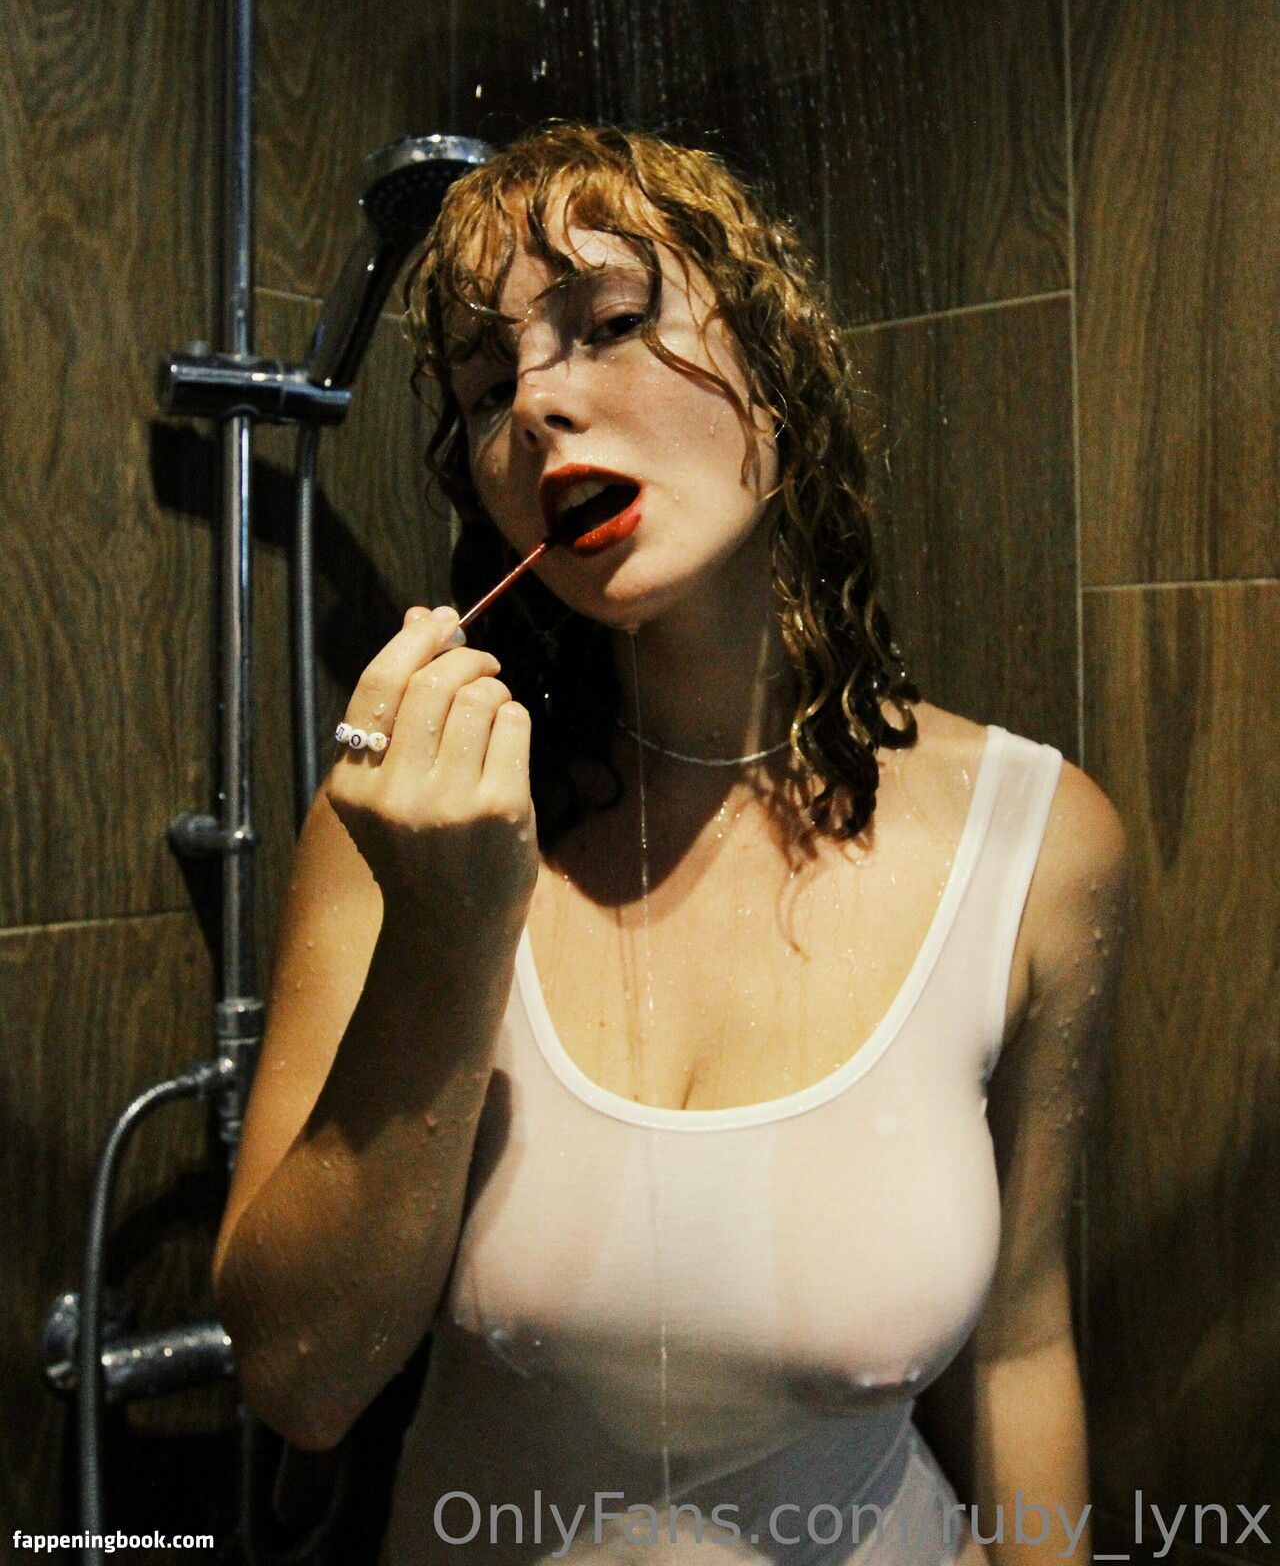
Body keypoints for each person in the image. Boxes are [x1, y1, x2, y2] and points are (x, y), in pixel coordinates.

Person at [213, 123, 1128, 1565]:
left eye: (610, 322)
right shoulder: (402, 822)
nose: (538, 402)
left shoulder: (1042, 845)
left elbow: (1018, 1348)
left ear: (778, 361)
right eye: (487, 385)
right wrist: (452, 931)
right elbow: (301, 1385)